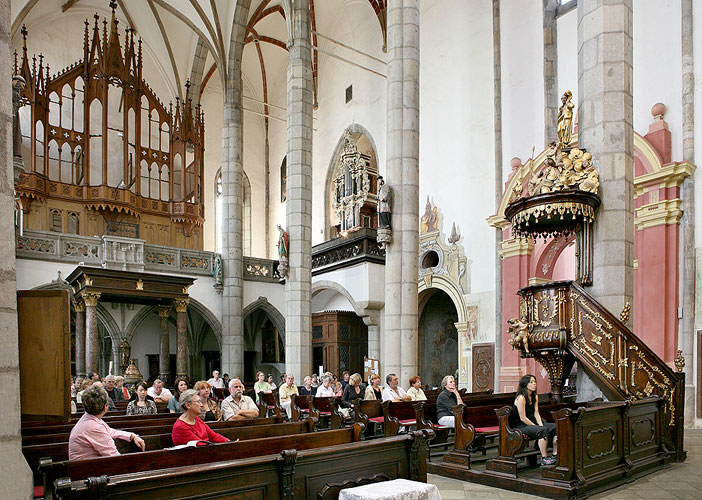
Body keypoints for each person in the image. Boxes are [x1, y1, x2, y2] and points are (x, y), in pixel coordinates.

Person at [68, 385, 145, 460]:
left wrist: (132, 436)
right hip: (84, 470)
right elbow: (114, 456)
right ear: (105, 407)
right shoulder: (93, 427)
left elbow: (111, 432)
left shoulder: (90, 418)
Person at [512, 375, 558, 466]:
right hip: (523, 425)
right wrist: (536, 426)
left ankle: (554, 455)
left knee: (557, 427)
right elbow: (522, 418)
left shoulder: (535, 396)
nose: (534, 384)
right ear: (525, 385)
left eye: (535, 382)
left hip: (534, 422)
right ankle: (544, 458)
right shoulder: (521, 398)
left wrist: (540, 424)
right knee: (542, 430)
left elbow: (536, 413)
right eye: (531, 382)